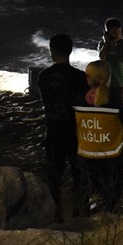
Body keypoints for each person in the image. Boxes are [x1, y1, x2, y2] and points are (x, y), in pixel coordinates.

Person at [36, 34, 89, 220]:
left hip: (53, 129)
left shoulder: (43, 77)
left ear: (52, 51)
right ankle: (80, 213)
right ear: (70, 50)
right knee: (79, 175)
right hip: (74, 132)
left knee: (54, 175)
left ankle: (55, 213)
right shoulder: (80, 77)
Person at [73, 60, 123, 214]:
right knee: (110, 188)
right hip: (111, 154)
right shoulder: (117, 100)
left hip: (86, 153)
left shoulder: (78, 99)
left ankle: (93, 208)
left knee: (92, 187)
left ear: (90, 79)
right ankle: (106, 212)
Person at [97, 18, 123, 97]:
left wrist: (115, 49)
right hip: (106, 80)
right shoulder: (102, 44)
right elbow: (101, 57)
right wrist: (106, 43)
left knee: (119, 98)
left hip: (119, 80)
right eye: (114, 32)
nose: (118, 34)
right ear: (107, 33)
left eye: (119, 31)